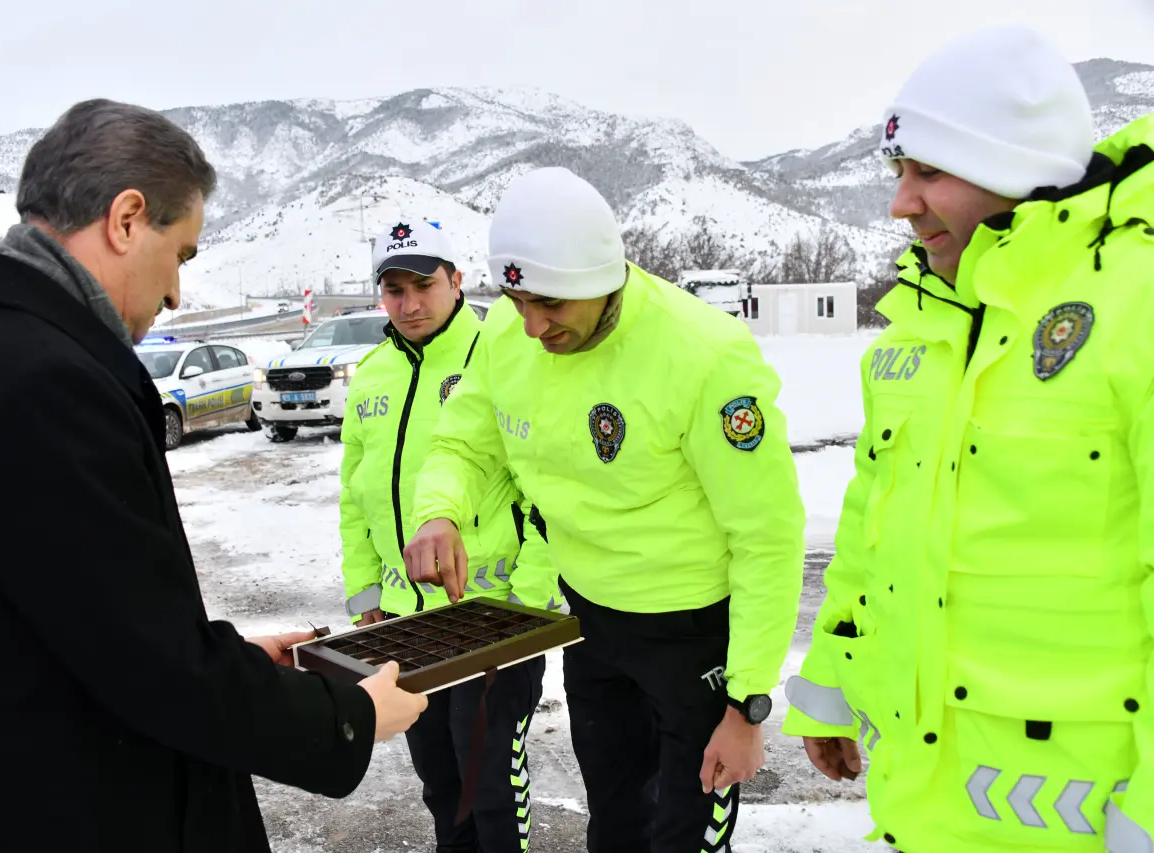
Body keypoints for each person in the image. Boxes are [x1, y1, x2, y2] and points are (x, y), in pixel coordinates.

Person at [0, 98, 426, 853]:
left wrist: (233, 659)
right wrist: (350, 717)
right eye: (183, 254)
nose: (176, 294)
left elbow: (87, 622)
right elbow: (151, 668)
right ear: (127, 218)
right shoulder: (40, 385)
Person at [781, 26, 1153, 852]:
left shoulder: (1137, 304)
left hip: (1085, 821)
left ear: (1011, 166)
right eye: (898, 173)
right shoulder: (916, 331)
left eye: (929, 172)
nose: (900, 203)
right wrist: (832, 692)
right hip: (924, 801)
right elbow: (871, 531)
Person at [402, 166, 806, 853]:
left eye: (551, 304)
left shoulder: (703, 356)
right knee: (616, 826)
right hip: (592, 623)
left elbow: (768, 535)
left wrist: (748, 703)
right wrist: (439, 510)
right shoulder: (509, 329)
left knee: (684, 836)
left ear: (601, 277)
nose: (531, 325)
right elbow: (464, 441)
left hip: (691, 637)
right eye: (517, 298)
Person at [339, 217, 560, 853]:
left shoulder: (502, 352)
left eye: (423, 285)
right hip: (406, 623)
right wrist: (365, 594)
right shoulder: (374, 373)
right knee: (441, 785)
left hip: (491, 617)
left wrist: (530, 596)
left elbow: (547, 489)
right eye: (394, 289)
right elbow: (355, 494)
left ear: (456, 280)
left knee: (490, 786)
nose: (408, 304)